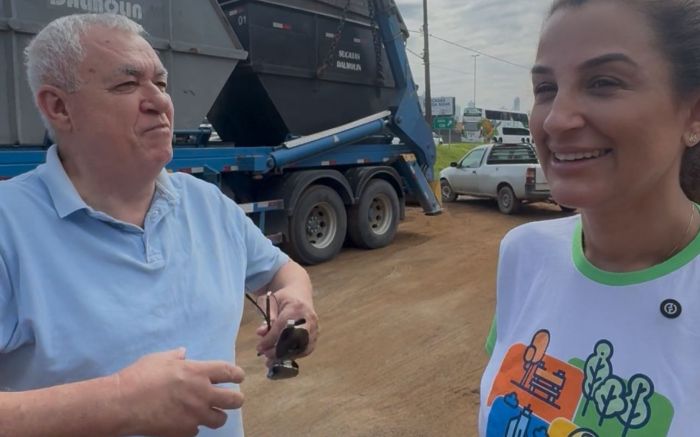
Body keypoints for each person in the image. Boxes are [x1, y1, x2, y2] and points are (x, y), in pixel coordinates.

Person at [0, 13, 318, 437]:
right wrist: (118, 400)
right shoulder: (9, 228)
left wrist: (297, 302)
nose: (159, 102)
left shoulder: (206, 204)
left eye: (161, 84)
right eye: (127, 84)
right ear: (58, 107)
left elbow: (282, 270)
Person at [479, 0, 700, 436]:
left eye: (603, 82)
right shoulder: (524, 254)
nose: (556, 120)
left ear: (693, 113)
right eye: (546, 88)